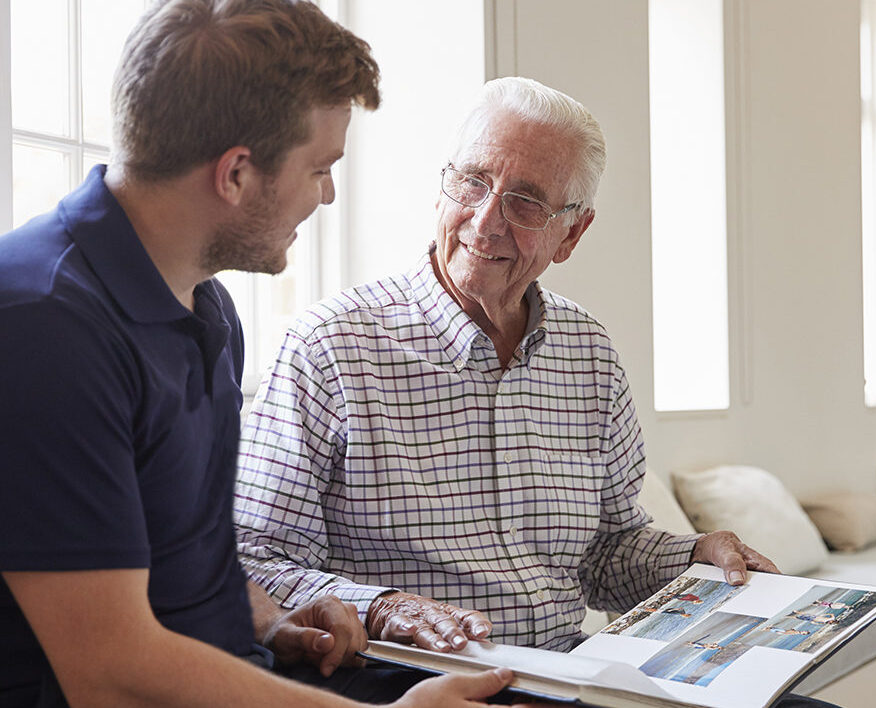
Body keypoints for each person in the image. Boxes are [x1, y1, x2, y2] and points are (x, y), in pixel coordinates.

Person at [0, 2, 517, 706]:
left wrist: (273, 624)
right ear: (236, 173)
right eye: (320, 168)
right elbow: (109, 672)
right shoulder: (42, 325)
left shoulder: (204, 303)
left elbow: (178, 556)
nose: (329, 194)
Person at [234, 76, 777, 652]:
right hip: (416, 674)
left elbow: (605, 553)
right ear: (442, 187)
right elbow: (254, 560)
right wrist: (380, 607)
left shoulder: (588, 353)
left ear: (571, 232)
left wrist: (695, 553)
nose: (486, 220)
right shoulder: (330, 346)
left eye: (524, 201)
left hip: (570, 670)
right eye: (472, 182)